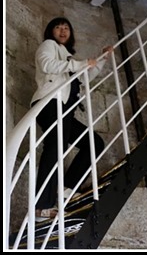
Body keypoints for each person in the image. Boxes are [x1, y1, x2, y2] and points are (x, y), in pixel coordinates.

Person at [31, 17, 112, 221]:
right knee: (54, 147)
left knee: (93, 143)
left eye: (66, 27)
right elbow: (47, 64)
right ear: (51, 32)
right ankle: (41, 207)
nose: (63, 30)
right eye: (58, 27)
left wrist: (101, 59)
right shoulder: (48, 46)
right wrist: (82, 63)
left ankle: (65, 188)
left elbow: (85, 78)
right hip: (50, 103)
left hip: (65, 109)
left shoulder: (68, 57)